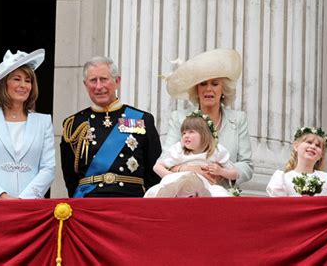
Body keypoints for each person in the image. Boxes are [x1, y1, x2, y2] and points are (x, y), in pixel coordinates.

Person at [60, 56, 161, 197]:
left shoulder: (143, 119)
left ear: (117, 81)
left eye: (104, 79)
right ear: (85, 84)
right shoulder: (74, 123)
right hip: (90, 202)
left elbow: (154, 171)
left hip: (131, 200)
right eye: (93, 80)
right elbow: (70, 176)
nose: (99, 86)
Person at [0, 49, 55, 200]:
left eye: (28, 80)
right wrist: (1, 197)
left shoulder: (44, 122)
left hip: (31, 207)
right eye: (17, 79)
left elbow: (48, 168)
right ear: (4, 83)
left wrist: (24, 200)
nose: (23, 85)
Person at [163, 48, 253, 190]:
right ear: (196, 90)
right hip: (187, 194)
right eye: (203, 84)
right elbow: (164, 160)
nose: (208, 89)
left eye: (215, 84)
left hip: (223, 195)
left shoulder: (238, 119)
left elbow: (247, 165)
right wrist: (187, 168)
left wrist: (223, 172)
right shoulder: (179, 118)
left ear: (223, 89)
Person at [145, 111, 237, 197]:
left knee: (220, 193)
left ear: (204, 134)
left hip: (206, 189)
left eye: (191, 132)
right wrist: (173, 177)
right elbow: (157, 167)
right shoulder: (179, 150)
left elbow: (235, 173)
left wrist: (221, 171)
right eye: (184, 133)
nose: (186, 135)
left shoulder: (216, 151)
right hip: (180, 189)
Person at [266, 127, 327, 196]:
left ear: (321, 155)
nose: (313, 146)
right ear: (296, 146)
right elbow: (280, 207)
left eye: (318, 146)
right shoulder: (283, 179)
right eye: (309, 142)